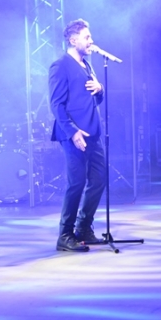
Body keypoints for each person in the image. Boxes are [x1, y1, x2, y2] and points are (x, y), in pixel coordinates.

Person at [49, 19, 107, 252]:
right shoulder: (60, 66)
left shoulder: (87, 66)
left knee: (99, 179)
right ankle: (65, 235)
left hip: (93, 132)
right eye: (87, 37)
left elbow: (94, 99)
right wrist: (73, 132)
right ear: (73, 40)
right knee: (77, 183)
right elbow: (56, 105)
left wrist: (100, 89)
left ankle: (83, 228)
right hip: (73, 134)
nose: (91, 41)